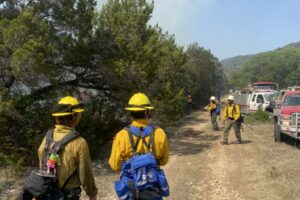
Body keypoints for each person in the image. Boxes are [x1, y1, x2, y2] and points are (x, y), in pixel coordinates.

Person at [17, 96, 98, 200]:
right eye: (79, 114)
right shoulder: (79, 142)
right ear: (75, 117)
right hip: (66, 195)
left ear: (57, 117)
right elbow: (85, 173)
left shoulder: (47, 137)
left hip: (44, 193)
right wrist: (92, 194)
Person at [109, 93, 169, 200]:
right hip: (153, 187)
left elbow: (115, 166)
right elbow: (164, 161)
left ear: (130, 112)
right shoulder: (159, 133)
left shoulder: (121, 136)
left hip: (130, 189)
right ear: (147, 111)